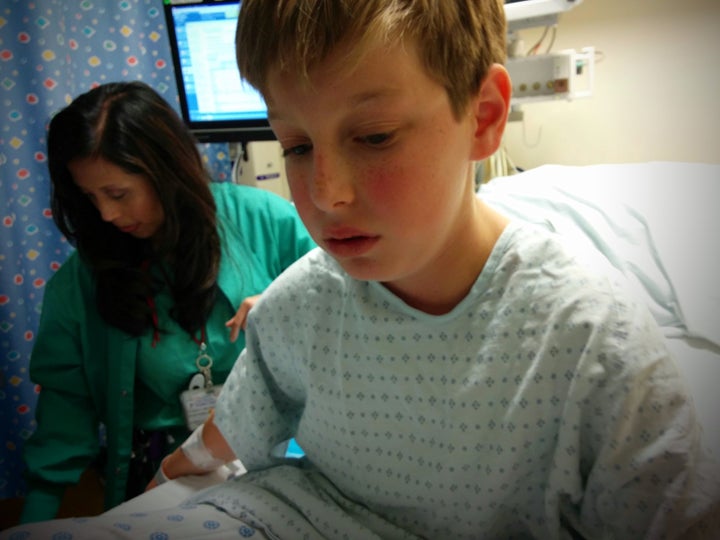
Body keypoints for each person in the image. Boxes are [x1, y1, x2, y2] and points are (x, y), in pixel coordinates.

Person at [5, 1, 719, 538]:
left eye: (374, 137)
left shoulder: (595, 347)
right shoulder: (302, 302)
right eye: (296, 146)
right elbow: (235, 429)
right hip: (295, 514)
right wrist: (157, 490)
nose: (326, 193)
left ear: (485, 115)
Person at [16, 80, 315, 524]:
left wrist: (288, 307)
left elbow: (346, 308)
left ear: (167, 171)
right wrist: (32, 524)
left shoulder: (264, 221)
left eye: (118, 194)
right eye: (89, 197)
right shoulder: (81, 284)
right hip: (162, 474)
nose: (107, 215)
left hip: (274, 456)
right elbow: (64, 421)